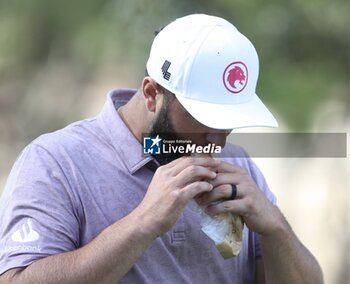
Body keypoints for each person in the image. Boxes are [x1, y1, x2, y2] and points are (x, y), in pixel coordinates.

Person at [0, 14, 323, 283]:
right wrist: (144, 222)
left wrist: (275, 228)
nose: (218, 141)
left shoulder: (239, 165)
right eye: (203, 120)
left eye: (228, 121)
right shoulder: (56, 162)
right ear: (152, 93)